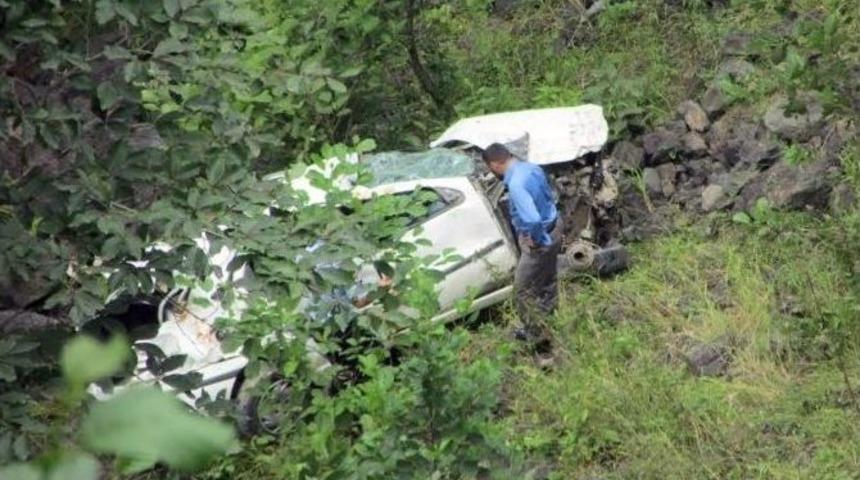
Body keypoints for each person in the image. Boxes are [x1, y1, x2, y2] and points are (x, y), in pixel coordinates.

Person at [482, 143, 562, 351]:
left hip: (540, 238)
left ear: (495, 164)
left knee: (522, 291)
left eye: (491, 168)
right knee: (547, 279)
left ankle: (536, 336)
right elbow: (548, 196)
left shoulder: (516, 184)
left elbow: (533, 219)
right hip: (555, 226)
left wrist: (537, 239)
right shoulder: (531, 167)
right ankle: (551, 319)